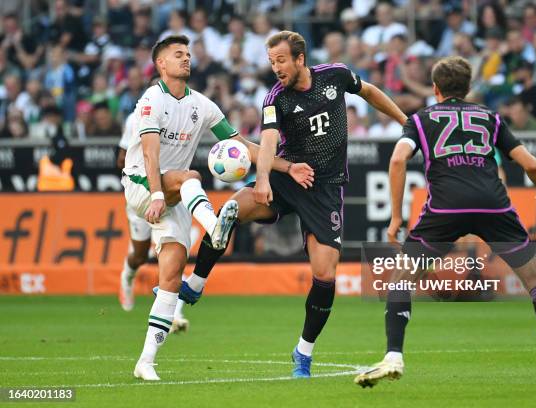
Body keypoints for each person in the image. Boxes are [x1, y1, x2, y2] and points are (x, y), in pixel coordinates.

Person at [354, 56, 536, 389]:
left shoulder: (421, 119)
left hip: (445, 208)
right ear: (468, 88)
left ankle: (393, 356)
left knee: (401, 279)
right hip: (494, 207)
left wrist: (396, 217)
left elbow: (397, 160)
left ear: (434, 88)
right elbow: (531, 165)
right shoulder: (490, 117)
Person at [183, 30, 407, 378]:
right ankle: (196, 283)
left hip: (325, 188)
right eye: (272, 62)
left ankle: (303, 352)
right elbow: (268, 140)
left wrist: (405, 122)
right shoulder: (276, 98)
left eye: (282, 60)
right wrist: (261, 180)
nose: (276, 68)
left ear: (300, 59)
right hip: (288, 178)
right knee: (228, 211)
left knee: (324, 274)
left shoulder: (335, 75)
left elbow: (371, 93)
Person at [126, 35, 313, 381]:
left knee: (171, 275)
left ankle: (146, 361)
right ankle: (215, 227)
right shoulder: (152, 99)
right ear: (161, 65)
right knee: (191, 175)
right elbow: (150, 154)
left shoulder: (202, 105)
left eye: (188, 53)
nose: (186, 58)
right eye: (177, 55)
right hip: (144, 186)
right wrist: (155, 193)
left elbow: (240, 144)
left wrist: (287, 167)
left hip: (177, 198)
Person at [116, 109, 189, 334]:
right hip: (142, 192)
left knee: (171, 253)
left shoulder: (183, 114)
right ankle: (126, 278)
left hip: (169, 194)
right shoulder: (136, 117)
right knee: (139, 256)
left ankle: (175, 314)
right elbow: (121, 158)